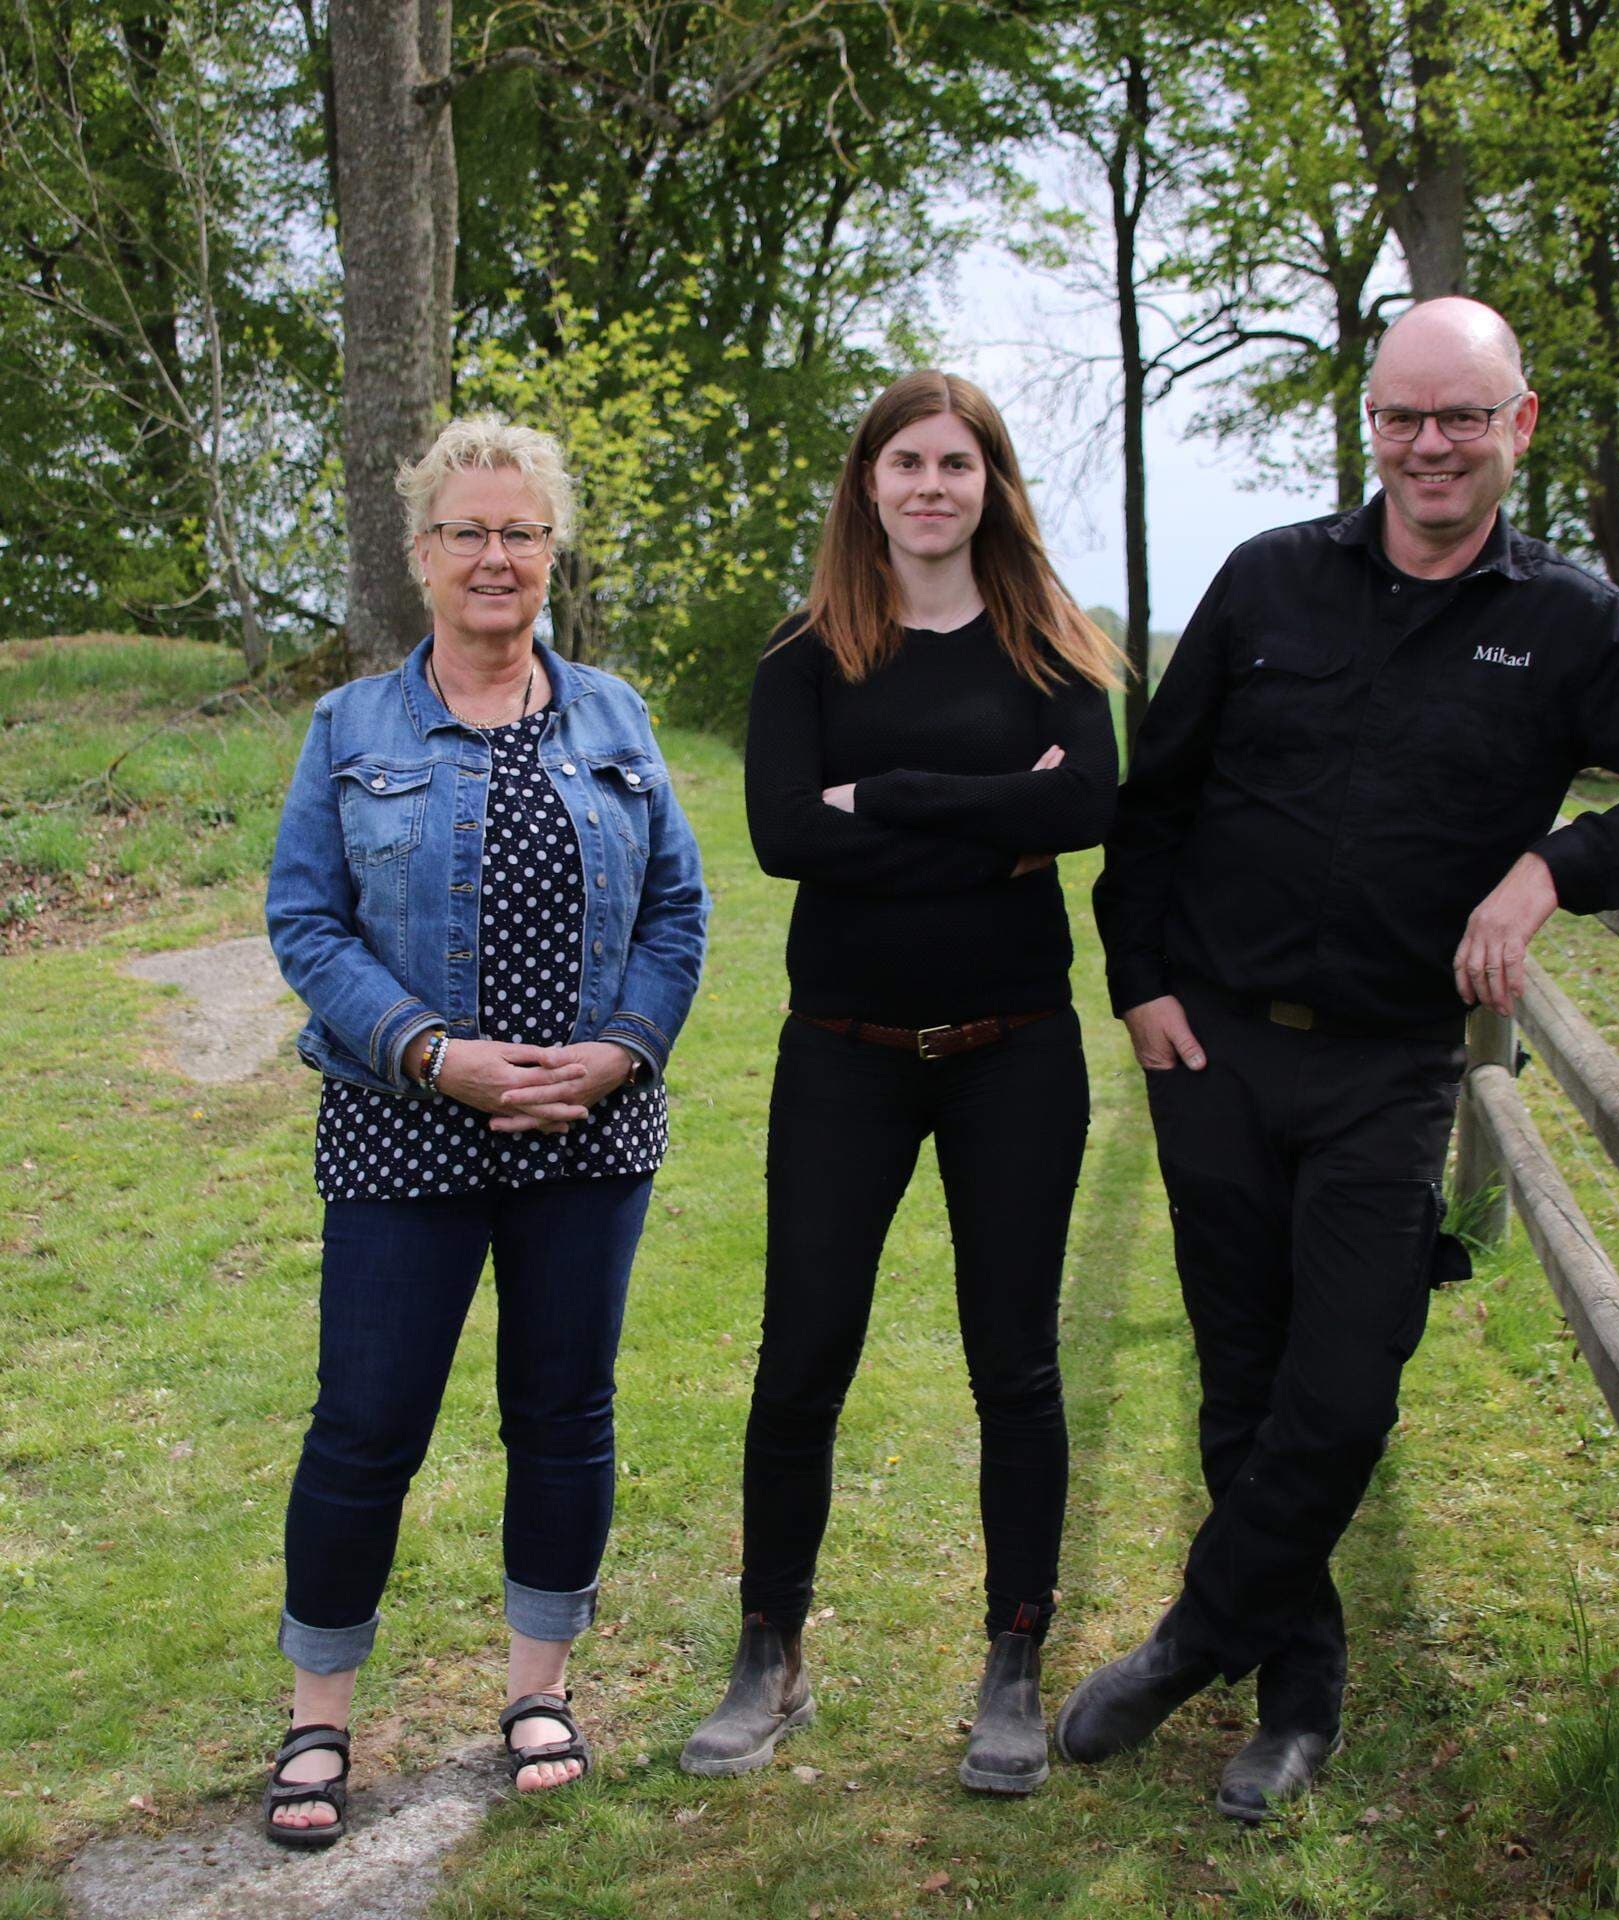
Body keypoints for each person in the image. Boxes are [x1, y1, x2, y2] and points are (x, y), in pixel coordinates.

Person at [1068, 297, 1619, 1822]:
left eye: (1464, 416)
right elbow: (1159, 805)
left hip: (1392, 1069)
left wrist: (1553, 868)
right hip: (1215, 1049)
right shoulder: (1266, 585)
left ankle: (1193, 1637)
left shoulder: (1571, 622)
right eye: (1404, 415)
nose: (1430, 445)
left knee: (1339, 1388)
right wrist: (1139, 989)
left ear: (1519, 426)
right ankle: (1296, 1693)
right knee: (1245, 1383)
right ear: (1369, 423)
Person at [260, 413, 707, 1845]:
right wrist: (428, 1051)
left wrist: (623, 1050)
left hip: (589, 1135)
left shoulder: (617, 720)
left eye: (520, 532)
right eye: (468, 532)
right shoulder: (353, 727)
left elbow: (680, 913)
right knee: (365, 1427)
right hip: (403, 1132)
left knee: (563, 1418)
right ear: (420, 556)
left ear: (551, 550)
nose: (495, 557)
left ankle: (538, 1692)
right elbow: (305, 920)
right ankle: (317, 1723)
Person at [678, 370, 1121, 1797]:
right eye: (905, 463)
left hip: (1015, 1055)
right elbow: (782, 839)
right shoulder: (805, 655)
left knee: (1017, 1362)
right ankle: (770, 1656)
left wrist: (894, 800)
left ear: (991, 483)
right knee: (802, 1355)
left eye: (958, 463)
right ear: (866, 484)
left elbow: (1088, 809)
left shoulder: (1055, 647)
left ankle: (1011, 1660)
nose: (931, 486)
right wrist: (997, 822)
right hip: (845, 1057)